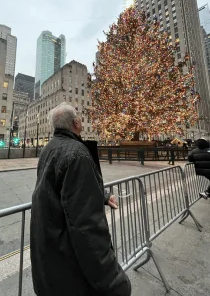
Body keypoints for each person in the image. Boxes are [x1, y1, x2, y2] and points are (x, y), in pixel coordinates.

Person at [30, 103, 131, 296]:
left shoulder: (49, 148)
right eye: (79, 118)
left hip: (48, 254)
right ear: (76, 123)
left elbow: (62, 188)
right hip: (69, 265)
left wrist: (101, 195)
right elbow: (86, 225)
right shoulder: (77, 154)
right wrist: (113, 280)